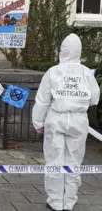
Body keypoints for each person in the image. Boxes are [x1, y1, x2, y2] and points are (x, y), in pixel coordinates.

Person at [32, 33, 100, 211]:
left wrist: (38, 123)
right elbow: (94, 98)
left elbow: (42, 100)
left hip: (57, 118)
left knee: (55, 161)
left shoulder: (53, 72)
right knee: (74, 162)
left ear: (62, 50)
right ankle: (69, 202)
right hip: (79, 120)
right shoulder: (86, 72)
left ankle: (55, 202)